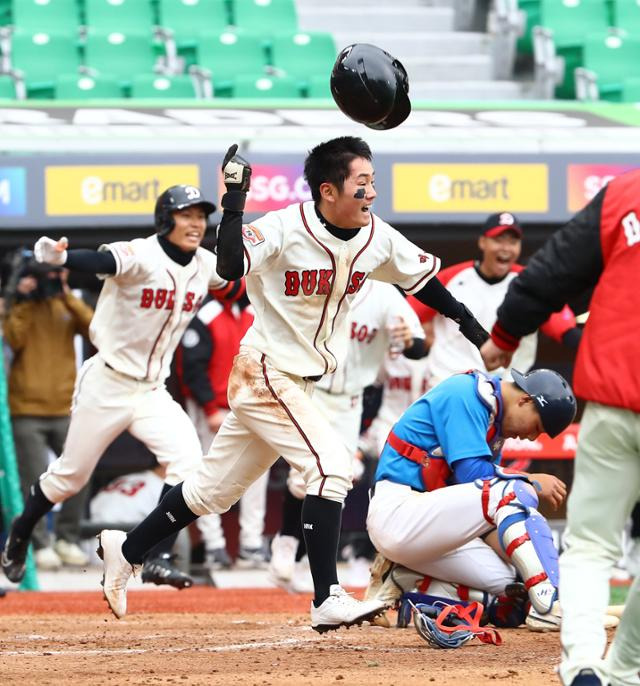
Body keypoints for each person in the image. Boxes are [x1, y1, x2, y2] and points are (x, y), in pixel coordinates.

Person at [96, 136, 490, 632]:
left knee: (209, 492)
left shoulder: (375, 236)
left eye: (372, 180)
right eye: (361, 182)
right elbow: (229, 265)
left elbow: (421, 278)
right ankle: (327, 595)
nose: (371, 191)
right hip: (264, 370)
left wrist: (469, 322)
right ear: (328, 190)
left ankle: (125, 549)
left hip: (297, 381)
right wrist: (234, 203)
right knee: (330, 466)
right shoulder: (286, 225)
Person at [1, 184, 243, 591]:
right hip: (108, 382)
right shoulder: (140, 253)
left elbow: (238, 276)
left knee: (188, 463)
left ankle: (157, 557)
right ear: (166, 219)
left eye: (201, 217)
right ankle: (21, 531)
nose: (195, 224)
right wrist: (58, 257)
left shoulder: (205, 264)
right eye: (186, 215)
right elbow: (98, 259)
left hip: (151, 390)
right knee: (69, 478)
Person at [480, 170, 640, 686]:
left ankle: (584, 665)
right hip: (616, 386)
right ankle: (625, 670)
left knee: (591, 544)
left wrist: (504, 333)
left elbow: (549, 274)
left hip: (617, 391)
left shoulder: (627, 191)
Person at [365, 366, 576, 629]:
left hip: (430, 529)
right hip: (398, 511)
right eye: (536, 427)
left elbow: (482, 512)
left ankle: (404, 582)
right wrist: (530, 479)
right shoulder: (466, 393)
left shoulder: (495, 426)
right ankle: (548, 606)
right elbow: (473, 476)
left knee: (513, 583)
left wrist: (529, 565)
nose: (532, 437)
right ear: (525, 400)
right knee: (516, 490)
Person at [268, 279, 426, 592]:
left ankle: (302, 558)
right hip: (311, 390)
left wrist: (408, 340)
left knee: (340, 478)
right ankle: (287, 540)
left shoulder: (383, 295)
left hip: (350, 403)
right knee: (306, 476)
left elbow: (418, 345)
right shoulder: (318, 279)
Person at [409, 212, 581, 388]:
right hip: (450, 382)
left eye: (513, 242)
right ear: (482, 242)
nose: (506, 248)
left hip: (507, 388)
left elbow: (565, 330)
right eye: (498, 240)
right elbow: (406, 313)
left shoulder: (531, 283)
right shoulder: (452, 276)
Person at [3, 260, 94, 571]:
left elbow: (95, 330)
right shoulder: (20, 304)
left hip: (65, 407)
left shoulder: (68, 301)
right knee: (34, 479)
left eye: (58, 274)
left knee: (81, 470)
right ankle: (40, 544)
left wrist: (65, 293)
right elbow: (13, 339)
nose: (53, 280)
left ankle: (67, 538)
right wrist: (24, 299)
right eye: (48, 276)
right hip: (26, 409)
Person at [178, 294, 270, 570]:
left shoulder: (255, 313)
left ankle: (251, 544)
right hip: (214, 409)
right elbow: (191, 369)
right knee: (209, 474)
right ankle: (213, 545)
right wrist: (208, 409)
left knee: (257, 474)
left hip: (251, 406)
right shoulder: (206, 314)